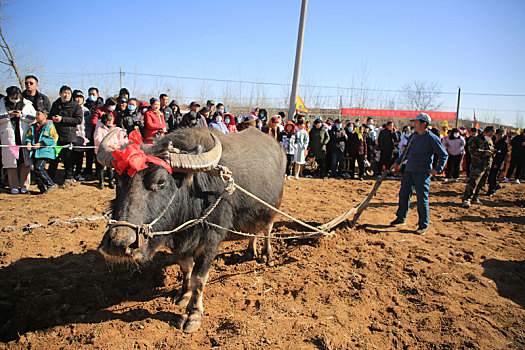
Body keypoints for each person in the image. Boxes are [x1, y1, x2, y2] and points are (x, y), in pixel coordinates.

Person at [389, 113, 448, 235]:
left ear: (424, 124)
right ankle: (401, 218)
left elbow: (443, 154)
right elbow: (405, 152)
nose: (414, 124)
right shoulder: (414, 137)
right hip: (409, 170)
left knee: (422, 199)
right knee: (404, 194)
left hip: (422, 173)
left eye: (416, 122)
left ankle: (423, 225)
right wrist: (397, 163)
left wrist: (437, 169)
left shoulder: (432, 138)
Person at [0, 86, 36, 194]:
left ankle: (25, 185)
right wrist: (8, 115)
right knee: (11, 162)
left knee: (24, 161)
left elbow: (33, 118)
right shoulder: (2, 103)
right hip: (8, 135)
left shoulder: (27, 103)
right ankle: (13, 186)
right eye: (12, 97)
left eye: (16, 97)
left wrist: (21, 115)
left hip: (23, 135)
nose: (14, 99)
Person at [47, 85, 83, 186]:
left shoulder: (76, 106)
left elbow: (78, 120)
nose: (66, 95)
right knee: (53, 158)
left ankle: (68, 177)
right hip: (55, 135)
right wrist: (53, 118)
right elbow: (50, 116)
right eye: (64, 93)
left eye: (68, 93)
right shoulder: (56, 104)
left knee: (68, 159)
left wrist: (62, 119)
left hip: (69, 135)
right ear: (60, 94)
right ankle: (50, 179)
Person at [24, 109, 58, 194]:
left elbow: (53, 138)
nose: (36, 116)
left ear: (45, 116)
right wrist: (28, 142)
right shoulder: (33, 126)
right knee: (36, 169)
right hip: (35, 152)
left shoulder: (50, 126)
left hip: (45, 151)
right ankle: (41, 188)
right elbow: (28, 136)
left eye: (38, 114)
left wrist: (41, 144)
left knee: (39, 167)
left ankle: (51, 184)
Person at [462, 125, 495, 208]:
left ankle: (475, 197)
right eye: (489, 134)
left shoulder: (490, 141)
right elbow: (471, 150)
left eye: (492, 135)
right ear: (485, 132)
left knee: (481, 183)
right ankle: (467, 199)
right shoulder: (475, 139)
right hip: (477, 165)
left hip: (487, 165)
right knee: (473, 182)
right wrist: (484, 152)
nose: (490, 137)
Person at [94, 113, 120, 189]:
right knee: (101, 168)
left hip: (111, 152)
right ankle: (101, 182)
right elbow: (97, 139)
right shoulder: (99, 129)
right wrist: (108, 145)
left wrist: (115, 146)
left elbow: (115, 139)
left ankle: (111, 182)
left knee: (110, 168)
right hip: (102, 152)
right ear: (108, 121)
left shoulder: (112, 129)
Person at [72, 90, 90, 181]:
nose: (78, 100)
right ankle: (70, 174)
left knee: (80, 157)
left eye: (81, 98)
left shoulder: (86, 110)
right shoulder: (71, 108)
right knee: (71, 157)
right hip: (72, 135)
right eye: (76, 97)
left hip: (83, 136)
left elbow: (88, 124)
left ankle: (78, 173)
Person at [487, 128, 509, 196]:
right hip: (491, 160)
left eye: (500, 134)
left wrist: (498, 163)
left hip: (498, 162)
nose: (499, 136)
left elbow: (503, 155)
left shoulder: (504, 143)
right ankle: (496, 185)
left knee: (493, 176)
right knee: (489, 176)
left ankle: (491, 190)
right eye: (497, 134)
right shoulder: (492, 140)